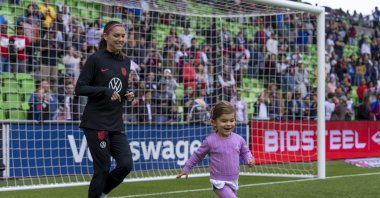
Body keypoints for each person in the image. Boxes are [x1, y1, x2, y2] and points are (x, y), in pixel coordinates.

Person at [74, 21, 134, 198]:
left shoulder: (126, 61)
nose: (120, 39)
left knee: (125, 164)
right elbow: (80, 88)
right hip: (95, 122)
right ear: (106, 37)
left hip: (116, 123)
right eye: (116, 35)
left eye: (123, 35)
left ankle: (102, 193)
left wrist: (126, 95)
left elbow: (118, 91)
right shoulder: (95, 59)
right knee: (102, 169)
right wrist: (105, 91)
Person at [176, 101, 254, 198]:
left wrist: (249, 159)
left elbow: (245, 152)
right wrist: (187, 168)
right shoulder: (210, 141)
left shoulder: (239, 139)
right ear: (214, 122)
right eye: (224, 121)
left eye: (232, 120)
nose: (229, 124)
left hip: (234, 179)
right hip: (219, 182)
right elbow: (198, 155)